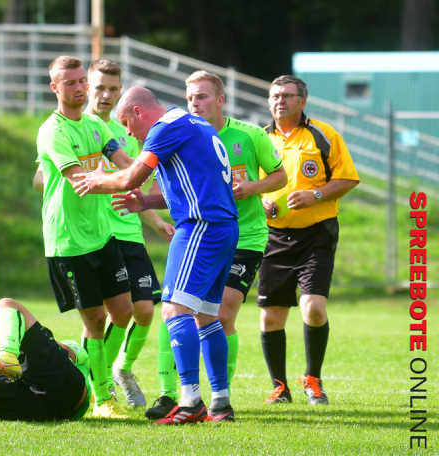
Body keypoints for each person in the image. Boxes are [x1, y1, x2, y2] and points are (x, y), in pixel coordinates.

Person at [73, 86, 239, 424]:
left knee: (174, 310)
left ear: (138, 112)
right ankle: (221, 403)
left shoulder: (165, 128)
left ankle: (190, 402)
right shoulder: (195, 123)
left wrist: (97, 180)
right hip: (223, 227)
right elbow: (195, 185)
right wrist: (147, 202)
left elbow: (131, 177)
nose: (129, 133)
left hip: (200, 227)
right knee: (207, 316)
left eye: (127, 123)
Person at [145, 71, 288, 420]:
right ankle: (175, 395)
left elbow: (280, 176)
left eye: (202, 96)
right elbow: (165, 186)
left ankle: (214, 397)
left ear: (221, 100)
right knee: (185, 310)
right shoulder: (185, 133)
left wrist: (252, 188)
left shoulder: (249, 134)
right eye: (190, 97)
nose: (194, 103)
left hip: (244, 236)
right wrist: (150, 205)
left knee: (217, 313)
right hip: (205, 234)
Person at [33, 59, 174, 408]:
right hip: (70, 239)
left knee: (125, 310)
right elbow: (80, 181)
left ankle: (94, 365)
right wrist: (124, 181)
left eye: (81, 81)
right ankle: (101, 397)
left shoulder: (97, 125)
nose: (79, 88)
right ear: (55, 88)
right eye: (70, 83)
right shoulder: (53, 130)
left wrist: (167, 173)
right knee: (95, 320)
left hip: (102, 235)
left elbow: (128, 163)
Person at [257, 75, 359, 405]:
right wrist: (261, 202)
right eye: (275, 95)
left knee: (313, 308)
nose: (280, 101)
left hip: (316, 234)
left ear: (303, 102)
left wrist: (315, 195)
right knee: (271, 315)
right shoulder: (259, 138)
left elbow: (347, 179)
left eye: (287, 96)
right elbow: (246, 183)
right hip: (273, 236)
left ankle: (313, 379)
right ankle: (280, 388)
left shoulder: (323, 134)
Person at [0, 298, 91, 421]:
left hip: (38, 405)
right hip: (58, 405)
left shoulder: (62, 351)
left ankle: (5, 355)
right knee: (6, 304)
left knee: (6, 304)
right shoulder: (59, 356)